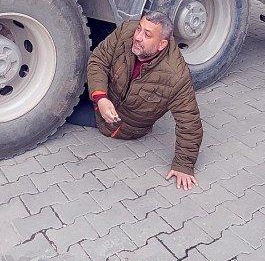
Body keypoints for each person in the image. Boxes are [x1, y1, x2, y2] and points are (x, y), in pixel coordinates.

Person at [85, 12, 203, 190]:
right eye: (139, 29)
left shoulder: (175, 75)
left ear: (162, 44)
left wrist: (183, 165)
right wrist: (100, 97)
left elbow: (190, 122)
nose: (138, 37)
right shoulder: (126, 31)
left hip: (125, 128)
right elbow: (98, 60)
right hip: (99, 103)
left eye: (147, 35)